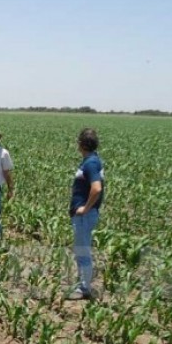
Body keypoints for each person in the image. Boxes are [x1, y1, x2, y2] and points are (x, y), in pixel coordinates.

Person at [68, 127, 104, 300]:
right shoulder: (93, 160)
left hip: (84, 216)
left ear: (82, 144)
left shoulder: (90, 163)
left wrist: (85, 208)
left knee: (82, 251)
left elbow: (96, 188)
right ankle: (82, 284)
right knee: (81, 250)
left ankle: (84, 289)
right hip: (84, 216)